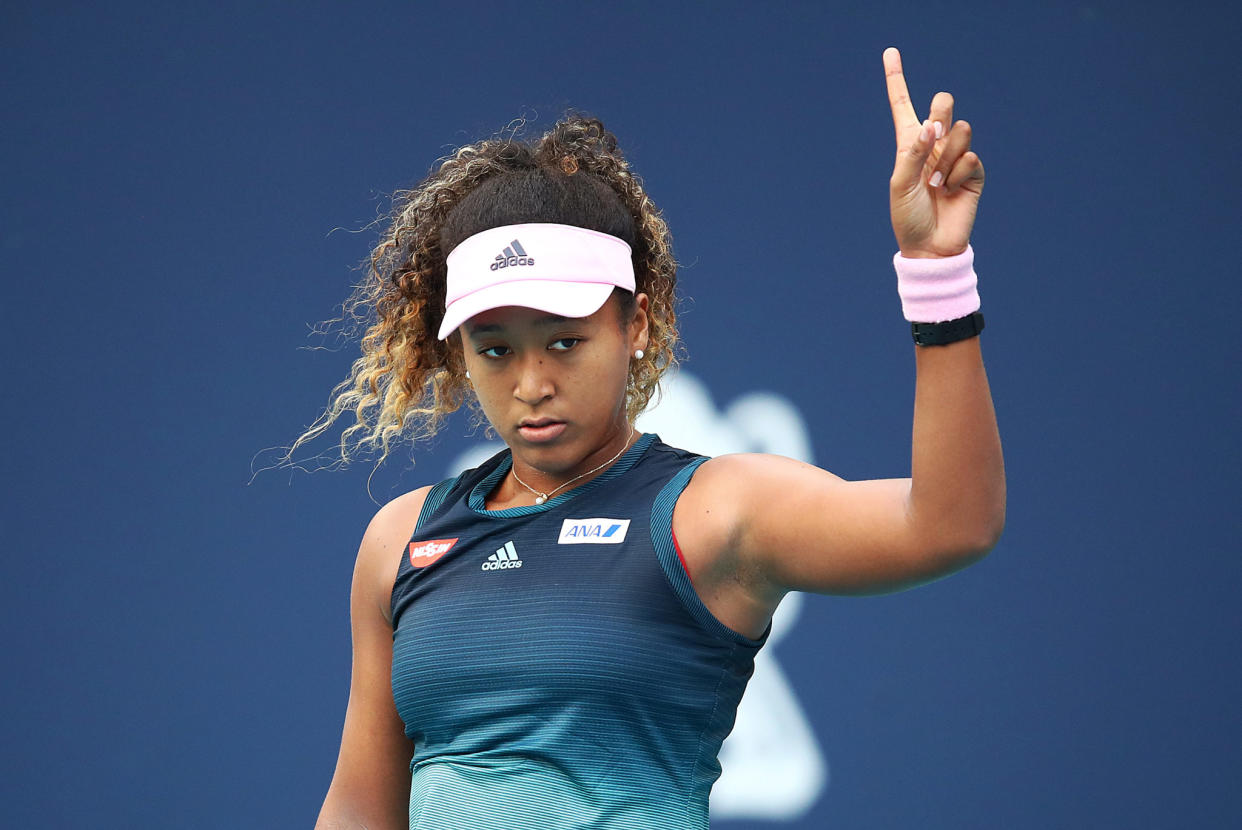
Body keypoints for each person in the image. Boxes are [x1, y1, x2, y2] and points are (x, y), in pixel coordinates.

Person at [309, 47, 1005, 830]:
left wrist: (936, 271)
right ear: (457, 352)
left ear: (635, 324)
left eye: (565, 341)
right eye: (494, 348)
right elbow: (361, 809)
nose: (530, 381)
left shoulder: (712, 512)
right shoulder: (402, 538)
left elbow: (951, 524)